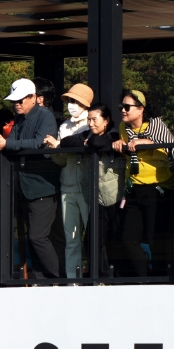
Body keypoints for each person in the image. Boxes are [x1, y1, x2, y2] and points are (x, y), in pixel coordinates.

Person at [0, 77, 61, 280]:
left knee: (38, 236)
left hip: (42, 186)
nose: (16, 104)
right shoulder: (19, 119)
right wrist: (0, 143)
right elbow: (12, 142)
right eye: (14, 101)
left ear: (34, 97)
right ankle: (40, 279)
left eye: (20, 100)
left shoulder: (45, 116)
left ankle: (56, 278)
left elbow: (38, 143)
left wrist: (6, 144)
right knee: (33, 237)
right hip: (24, 186)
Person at [111, 89, 174, 278]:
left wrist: (147, 142)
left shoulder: (156, 125)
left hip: (157, 189)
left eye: (127, 107)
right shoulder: (124, 128)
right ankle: (143, 277)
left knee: (157, 238)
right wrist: (120, 145)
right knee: (128, 238)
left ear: (141, 109)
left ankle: (163, 278)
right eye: (121, 106)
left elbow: (170, 151)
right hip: (134, 188)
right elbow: (127, 150)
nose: (123, 110)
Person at [57, 103, 125, 277]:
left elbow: (101, 142)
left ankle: (118, 278)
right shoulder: (88, 135)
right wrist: (86, 142)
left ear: (106, 120)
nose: (91, 123)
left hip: (115, 198)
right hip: (98, 199)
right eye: (89, 119)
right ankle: (99, 276)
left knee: (116, 241)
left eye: (95, 119)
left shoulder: (114, 135)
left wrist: (89, 142)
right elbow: (66, 141)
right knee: (91, 241)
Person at [45, 83, 94, 281]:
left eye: (75, 101)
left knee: (92, 237)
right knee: (71, 240)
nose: (71, 105)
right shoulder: (64, 126)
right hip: (67, 186)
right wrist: (55, 150)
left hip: (87, 186)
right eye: (69, 101)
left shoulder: (91, 124)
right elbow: (62, 161)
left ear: (85, 104)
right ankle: (73, 280)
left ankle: (97, 277)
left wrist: (62, 146)